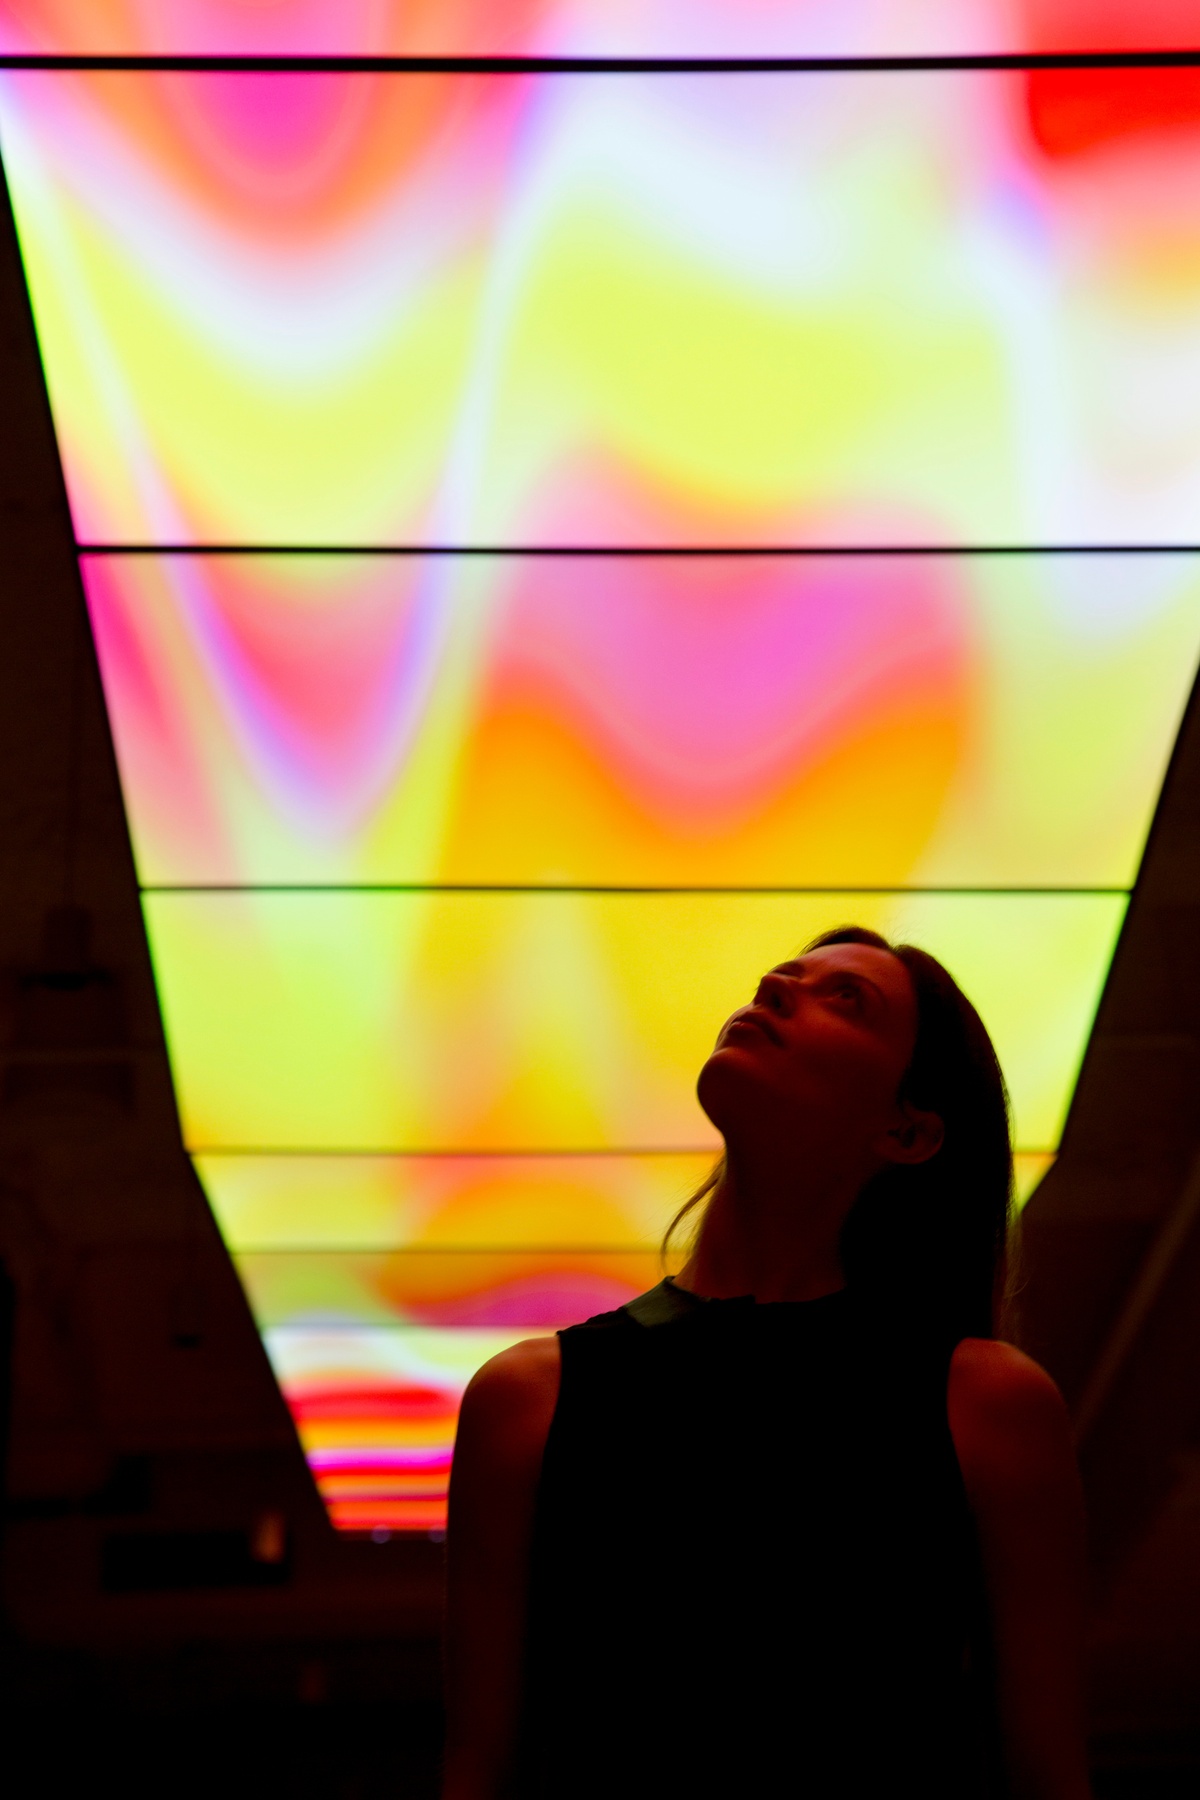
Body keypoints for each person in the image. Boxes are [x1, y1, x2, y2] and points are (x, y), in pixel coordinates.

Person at [443, 927, 1091, 1800]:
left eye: (846, 997)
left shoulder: (985, 1404)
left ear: (907, 1130)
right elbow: (478, 1772)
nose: (779, 983)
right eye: (788, 974)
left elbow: (1047, 1774)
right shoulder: (524, 1401)